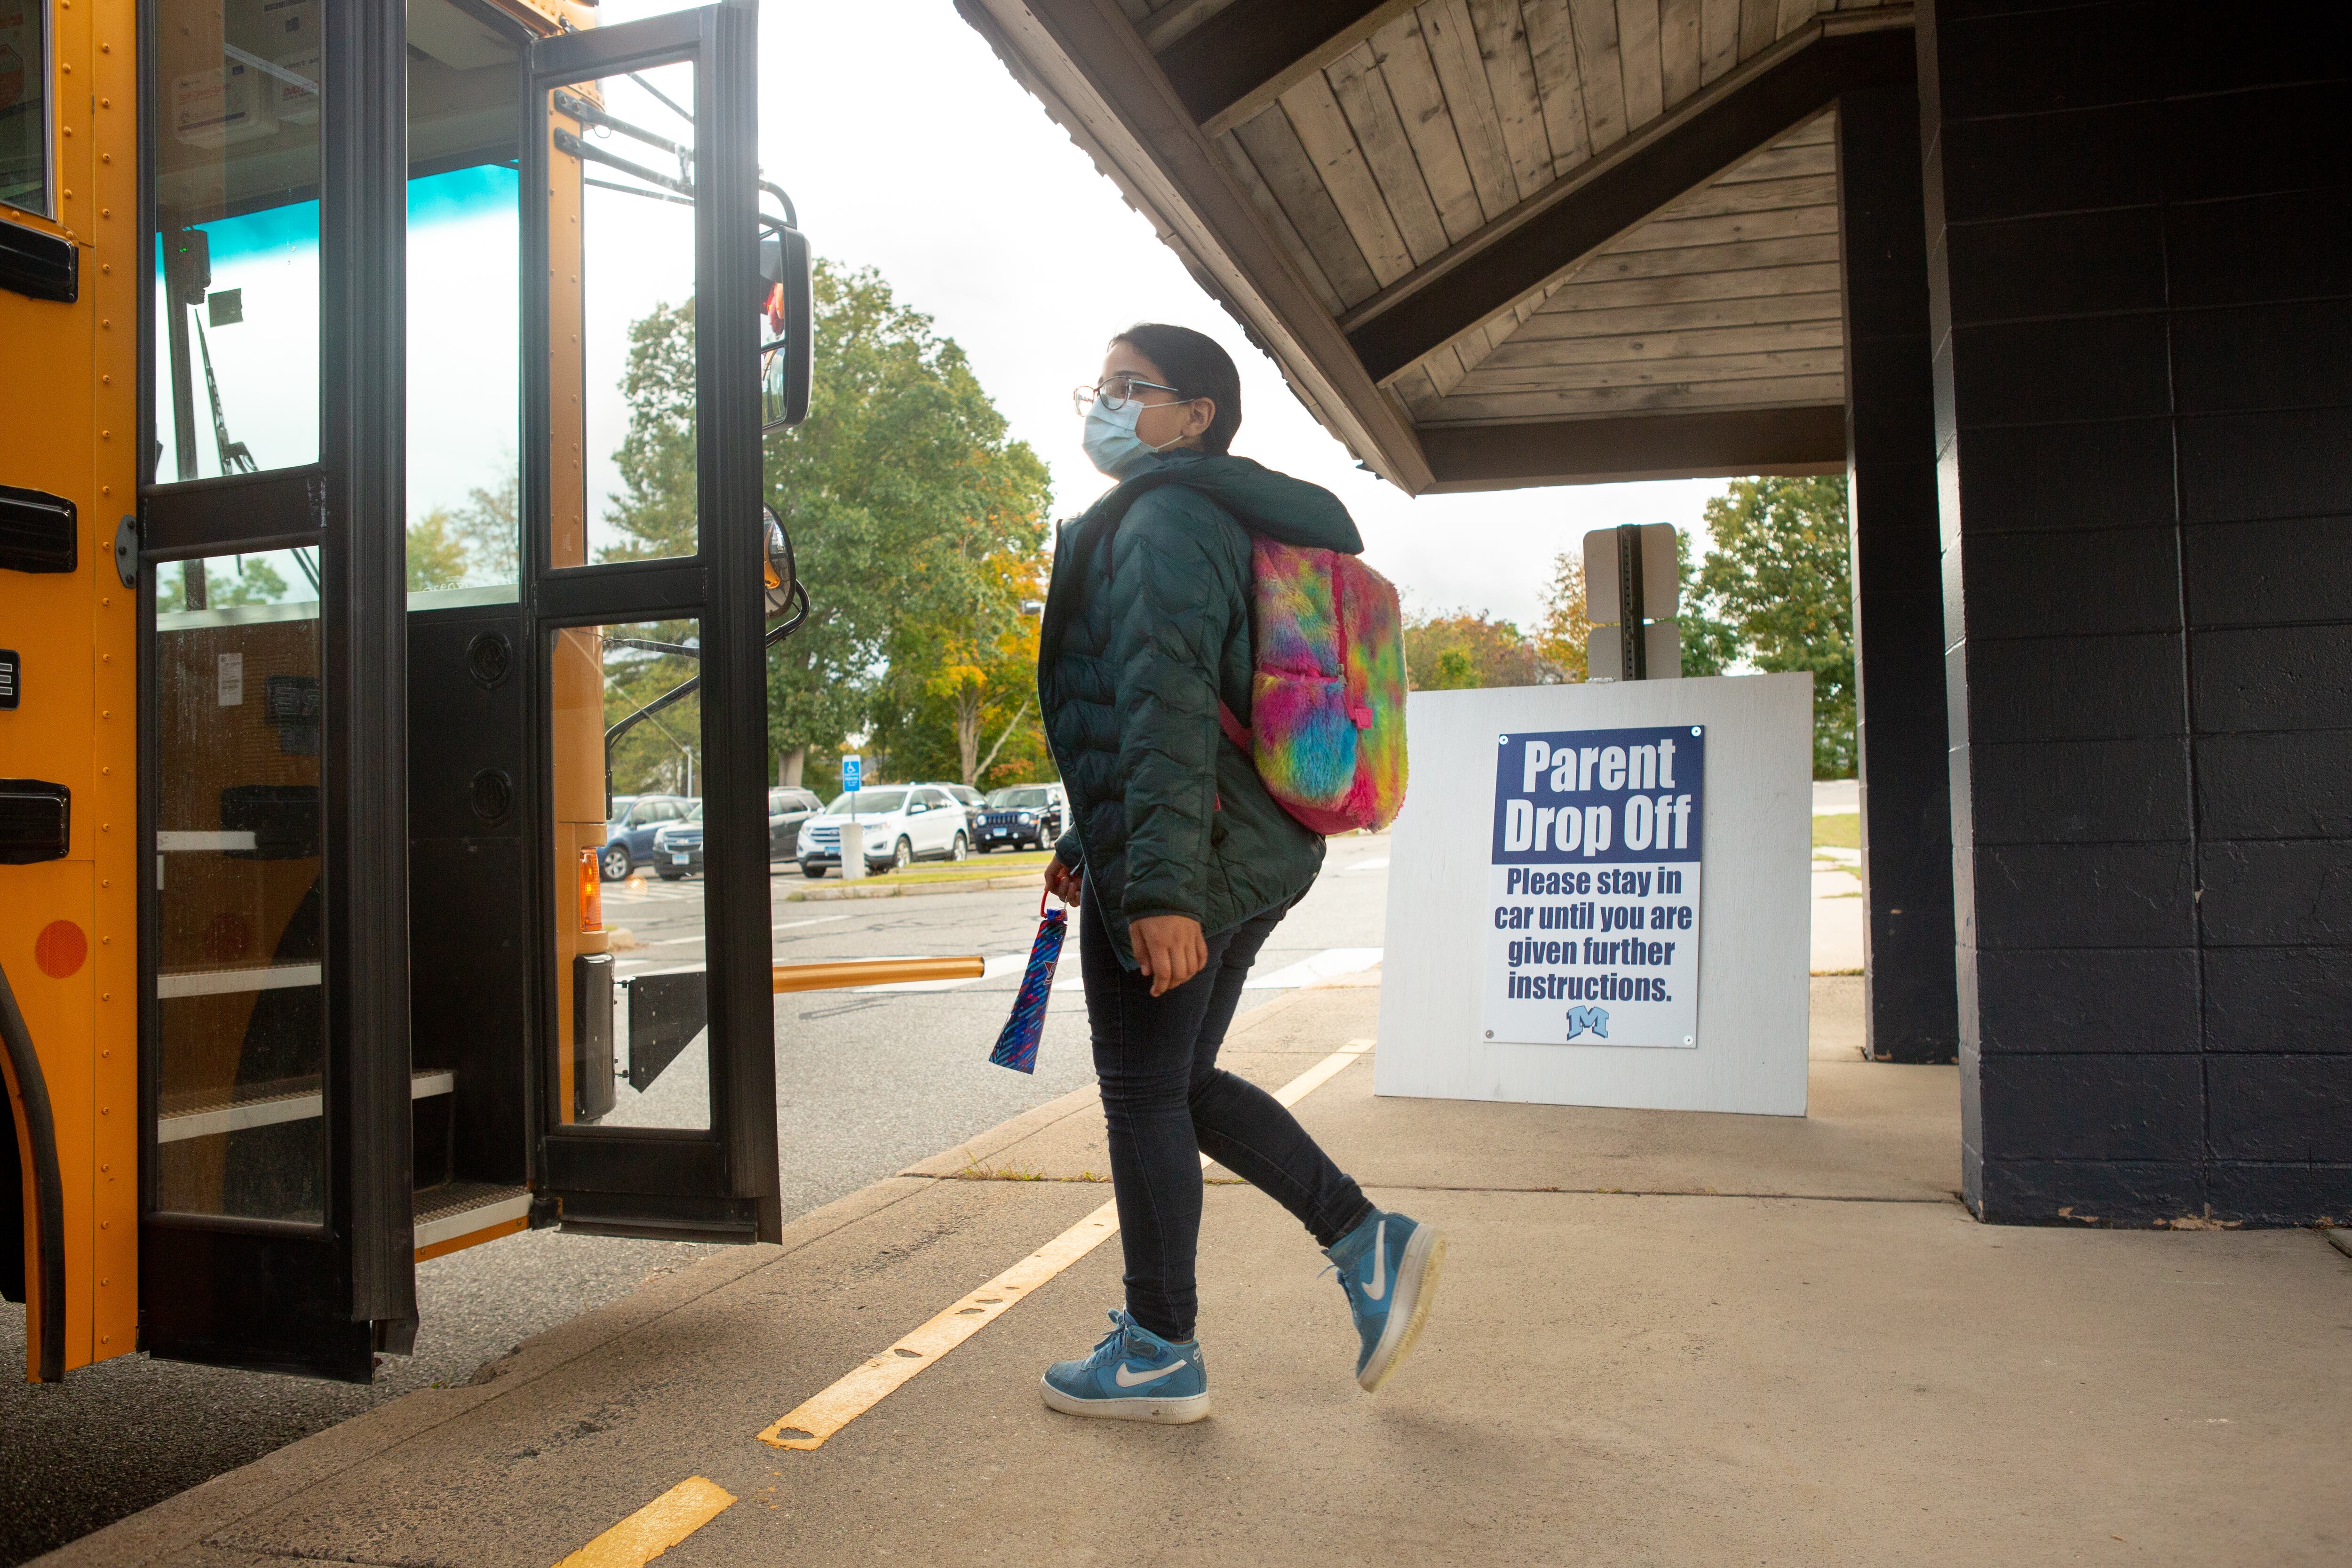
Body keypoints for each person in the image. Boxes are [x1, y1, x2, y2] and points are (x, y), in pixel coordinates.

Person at [1032, 322, 1444, 1423]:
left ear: (1197, 415)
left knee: (1141, 1093)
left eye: (1131, 387)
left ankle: (1161, 1345)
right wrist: (1090, 843)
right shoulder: (1210, 515)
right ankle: (1366, 1242)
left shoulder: (1163, 519)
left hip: (1193, 859)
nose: (1106, 403)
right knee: (1179, 1084)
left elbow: (1164, 702)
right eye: (1100, 383)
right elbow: (1180, 706)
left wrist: (1157, 889)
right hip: (1247, 842)